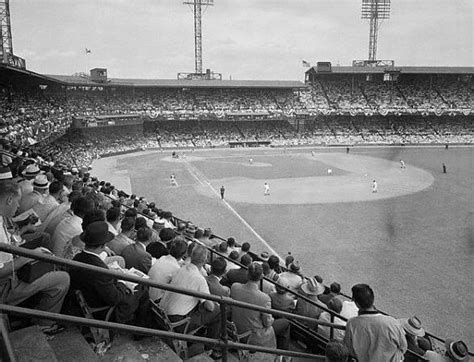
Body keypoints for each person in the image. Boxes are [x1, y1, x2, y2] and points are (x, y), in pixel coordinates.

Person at [0, 181, 70, 334]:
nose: (18, 206)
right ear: (9, 200)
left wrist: (24, 231)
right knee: (63, 278)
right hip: (6, 285)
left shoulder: (1, 217)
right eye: (17, 202)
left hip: (12, 266)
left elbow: (7, 241)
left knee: (43, 241)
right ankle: (43, 324)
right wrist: (30, 256)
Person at [70, 221, 150, 326]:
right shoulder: (100, 270)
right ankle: (140, 328)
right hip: (102, 310)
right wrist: (122, 282)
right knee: (142, 289)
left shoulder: (78, 257)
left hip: (88, 297)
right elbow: (115, 299)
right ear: (103, 245)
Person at [159, 244, 221, 359]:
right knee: (217, 311)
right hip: (177, 322)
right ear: (205, 260)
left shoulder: (181, 268)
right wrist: (213, 302)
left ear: (191, 256)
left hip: (163, 312)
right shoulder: (199, 279)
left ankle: (206, 342)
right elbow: (210, 307)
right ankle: (210, 349)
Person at [231, 262, 290, 350]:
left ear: (247, 274)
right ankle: (283, 354)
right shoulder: (264, 298)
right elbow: (267, 323)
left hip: (236, 328)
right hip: (254, 335)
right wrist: (272, 318)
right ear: (261, 276)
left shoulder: (235, 287)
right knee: (285, 322)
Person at [343, 283, 407, 362]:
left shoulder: (352, 324)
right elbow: (403, 347)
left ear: (357, 304)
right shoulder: (392, 323)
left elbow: (349, 349)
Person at [148, 236, 187, 302]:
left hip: (148, 293)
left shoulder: (162, 258)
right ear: (183, 255)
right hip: (155, 299)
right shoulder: (176, 269)